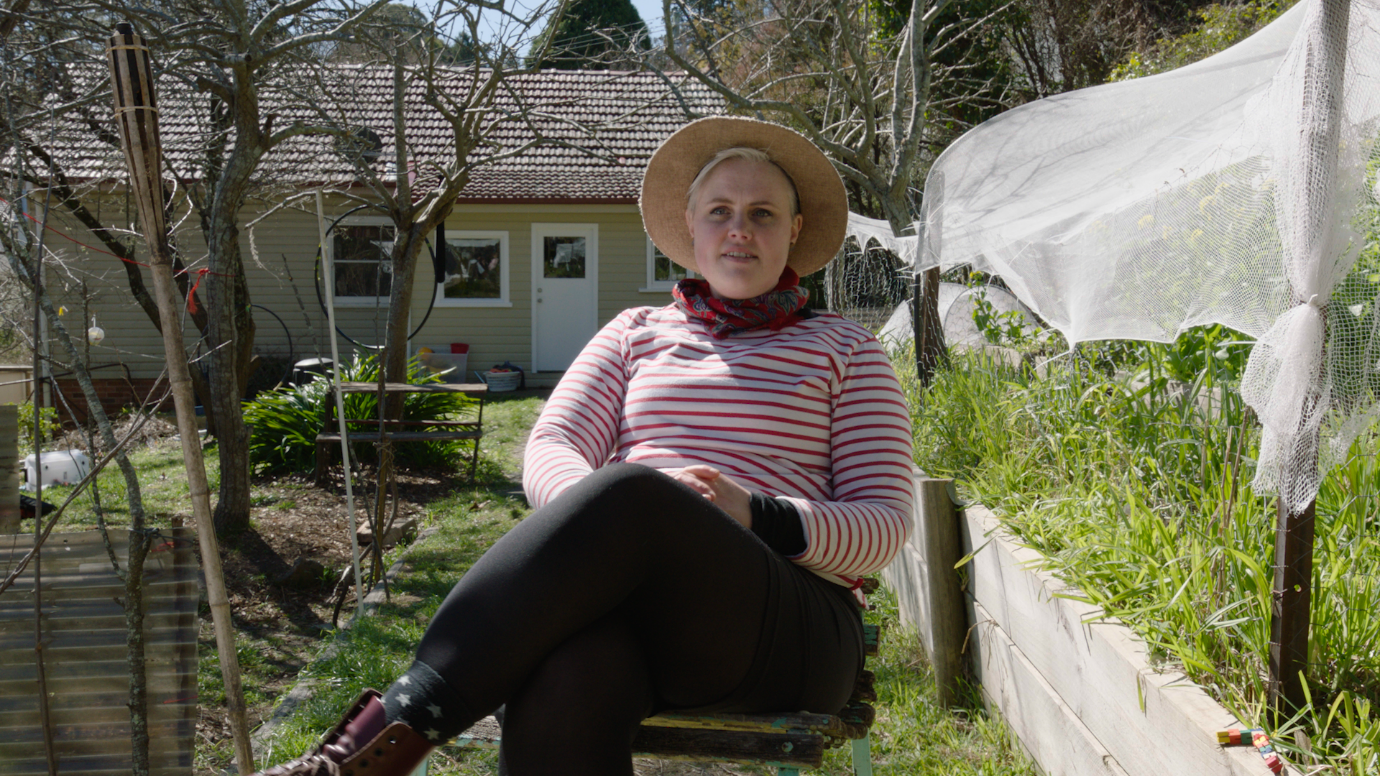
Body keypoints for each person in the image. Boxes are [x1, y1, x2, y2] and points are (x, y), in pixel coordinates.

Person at [257, 116, 914, 776]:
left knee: (633, 493)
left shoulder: (846, 350)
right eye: (720, 211)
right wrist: (605, 524)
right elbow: (552, 445)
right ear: (692, 225)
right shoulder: (635, 334)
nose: (739, 228)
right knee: (565, 674)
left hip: (789, 628)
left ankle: (376, 740)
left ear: (795, 231)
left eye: (763, 213)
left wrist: (752, 513)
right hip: (637, 613)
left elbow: (884, 526)